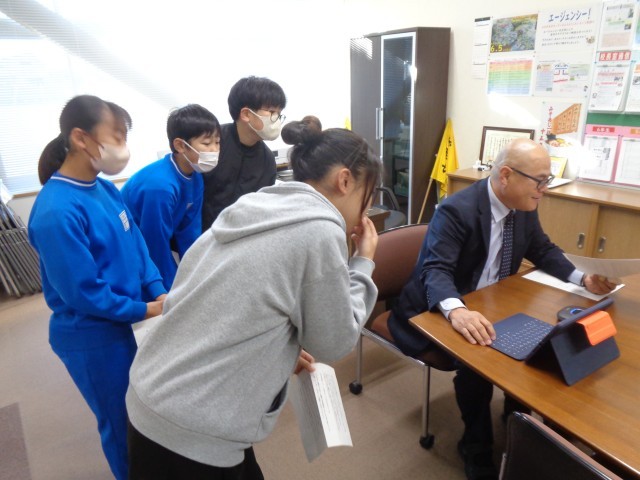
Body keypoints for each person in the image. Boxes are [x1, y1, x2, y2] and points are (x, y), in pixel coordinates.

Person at [126, 116, 381, 479]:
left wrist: (278, 346)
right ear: (345, 181)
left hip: (154, 394)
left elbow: (224, 297)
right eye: (367, 197)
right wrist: (363, 262)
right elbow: (335, 340)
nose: (365, 211)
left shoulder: (255, 206)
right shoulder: (320, 229)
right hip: (193, 427)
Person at [387, 138, 616, 480]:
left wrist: (583, 278)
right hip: (436, 308)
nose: (544, 189)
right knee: (478, 367)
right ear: (506, 175)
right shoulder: (457, 209)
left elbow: (542, 249)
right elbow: (435, 270)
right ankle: (476, 447)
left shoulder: (523, 204)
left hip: (492, 301)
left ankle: (516, 416)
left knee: (542, 340)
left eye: (547, 180)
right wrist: (458, 311)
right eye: (540, 180)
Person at [28, 95, 167, 480]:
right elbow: (83, 292)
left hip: (131, 320)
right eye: (117, 136)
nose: (123, 147)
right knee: (122, 424)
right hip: (93, 336)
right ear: (81, 138)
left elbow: (137, 245)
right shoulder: (56, 210)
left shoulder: (104, 189)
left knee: (148, 412)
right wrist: (145, 309)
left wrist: (156, 289)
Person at [121, 104, 221, 290]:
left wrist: (197, 273)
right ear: (180, 145)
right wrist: (172, 287)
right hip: (131, 253)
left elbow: (189, 232)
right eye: (207, 144)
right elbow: (154, 243)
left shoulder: (195, 175)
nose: (214, 150)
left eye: (217, 142)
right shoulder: (160, 186)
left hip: (154, 246)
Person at [201, 76, 287, 230]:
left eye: (279, 114)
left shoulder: (267, 159)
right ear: (246, 114)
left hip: (240, 235)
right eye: (272, 112)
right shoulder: (211, 143)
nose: (277, 119)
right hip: (201, 235)